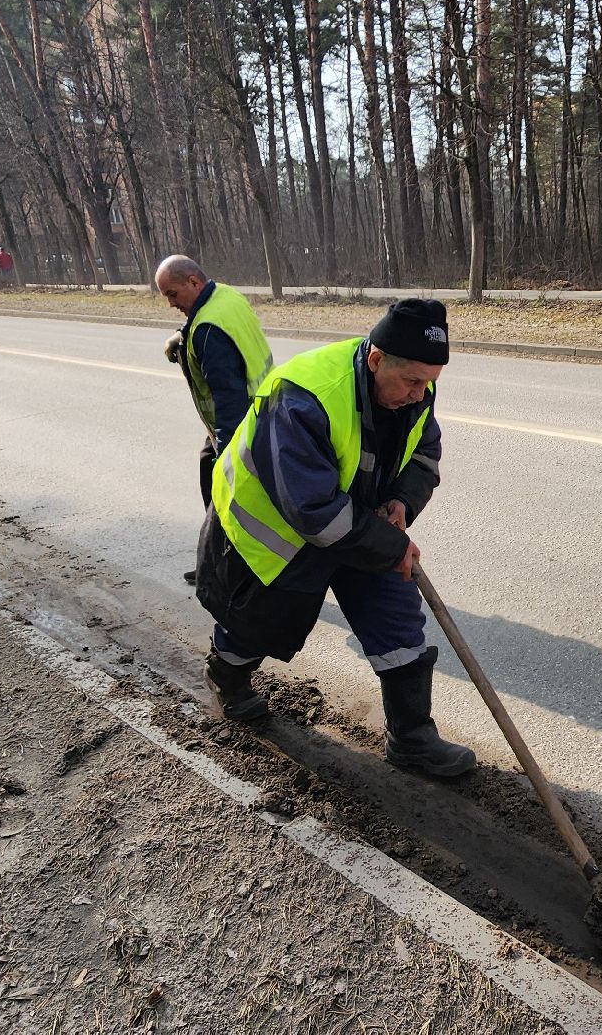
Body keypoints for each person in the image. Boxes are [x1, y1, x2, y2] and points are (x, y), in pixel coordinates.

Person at [194, 299, 473, 778]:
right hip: (277, 534)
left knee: (397, 619)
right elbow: (314, 512)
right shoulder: (306, 396)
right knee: (256, 626)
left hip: (354, 522)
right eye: (412, 382)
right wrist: (389, 545)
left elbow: (424, 456)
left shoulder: (413, 390)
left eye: (429, 383)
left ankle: (411, 738)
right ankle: (227, 677)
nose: (419, 394)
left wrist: (402, 503)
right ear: (376, 359)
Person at [154, 255, 272, 508]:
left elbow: (229, 400)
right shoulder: (226, 295)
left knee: (221, 497)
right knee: (208, 466)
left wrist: (229, 462)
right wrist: (182, 335)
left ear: (193, 282)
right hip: (269, 408)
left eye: (173, 294)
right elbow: (202, 316)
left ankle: (223, 541)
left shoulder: (209, 334)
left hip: (245, 428)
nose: (171, 304)